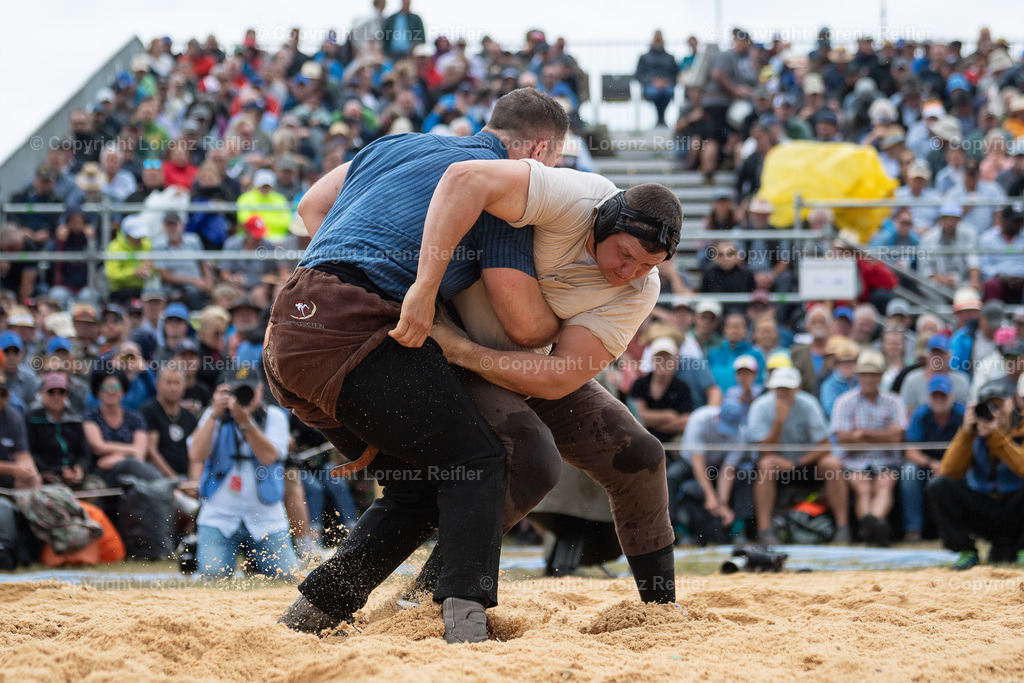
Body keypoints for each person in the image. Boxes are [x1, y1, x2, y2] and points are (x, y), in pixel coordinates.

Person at [268, 88, 570, 643]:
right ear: (541, 151)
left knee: (416, 489)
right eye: (553, 164)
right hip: (354, 331)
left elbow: (310, 208)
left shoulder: (396, 145)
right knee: (478, 459)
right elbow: (524, 324)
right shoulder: (505, 187)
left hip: (288, 324)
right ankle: (463, 622)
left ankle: (310, 616)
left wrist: (369, 258)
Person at [189, 366, 300, 579]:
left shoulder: (274, 416)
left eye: (248, 391)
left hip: (267, 519)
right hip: (219, 517)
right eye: (238, 391)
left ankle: (257, 564)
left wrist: (245, 421)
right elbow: (196, 454)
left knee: (288, 577)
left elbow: (269, 456)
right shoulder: (214, 415)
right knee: (213, 576)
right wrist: (214, 414)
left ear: (260, 390)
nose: (243, 397)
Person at [747, 366, 851, 546]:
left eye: (787, 388)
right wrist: (779, 421)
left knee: (832, 464)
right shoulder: (760, 406)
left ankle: (843, 529)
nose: (783, 393)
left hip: (805, 463)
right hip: (777, 464)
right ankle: (764, 531)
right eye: (780, 388)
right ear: (772, 388)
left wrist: (796, 463)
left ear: (797, 388)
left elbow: (825, 446)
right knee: (765, 465)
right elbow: (764, 451)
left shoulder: (809, 404)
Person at [927, 380, 1024, 569]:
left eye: (998, 406)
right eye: (988, 407)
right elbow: (948, 472)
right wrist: (965, 433)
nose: (993, 412)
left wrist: (996, 437)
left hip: (1016, 506)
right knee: (938, 485)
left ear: (1011, 404)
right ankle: (966, 551)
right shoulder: (970, 433)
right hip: (983, 507)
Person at [831, 350, 907, 546]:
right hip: (854, 462)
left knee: (885, 484)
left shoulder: (894, 401)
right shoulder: (844, 401)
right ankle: (874, 526)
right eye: (864, 374)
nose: (868, 379)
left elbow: (898, 437)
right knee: (862, 487)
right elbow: (842, 439)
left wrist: (863, 434)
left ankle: (870, 526)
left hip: (887, 461)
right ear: (857, 376)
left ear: (881, 377)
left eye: (873, 374)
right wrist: (883, 435)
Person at [672, 399, 748, 545]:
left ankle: (739, 530)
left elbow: (728, 470)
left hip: (718, 468)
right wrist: (710, 495)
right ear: (717, 417)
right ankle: (676, 529)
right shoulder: (699, 420)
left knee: (747, 476)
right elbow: (698, 463)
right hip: (690, 463)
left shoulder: (740, 434)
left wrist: (722, 503)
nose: (726, 435)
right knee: (671, 477)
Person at [901, 375, 965, 541]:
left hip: (958, 466)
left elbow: (971, 449)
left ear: (951, 396)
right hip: (928, 467)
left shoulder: (963, 415)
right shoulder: (920, 415)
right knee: (909, 471)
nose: (939, 399)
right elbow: (910, 451)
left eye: (942, 395)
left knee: (973, 472)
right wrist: (932, 464)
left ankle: (969, 529)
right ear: (928, 397)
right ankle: (913, 530)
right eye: (935, 395)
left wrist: (950, 465)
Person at [82, 369, 163, 489]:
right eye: (105, 387)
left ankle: (169, 490)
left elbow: (140, 453)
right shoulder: (90, 417)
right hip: (101, 471)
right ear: (98, 392)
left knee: (133, 465)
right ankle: (170, 490)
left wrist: (119, 457)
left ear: (123, 391)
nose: (111, 391)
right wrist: (132, 451)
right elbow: (98, 447)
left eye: (116, 386)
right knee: (132, 464)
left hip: (131, 469)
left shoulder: (135, 417)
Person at [25, 373, 92, 489]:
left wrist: (79, 468)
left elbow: (84, 453)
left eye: (61, 392)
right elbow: (29, 453)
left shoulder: (75, 419)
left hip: (73, 472)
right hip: (46, 473)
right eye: (51, 392)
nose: (56, 396)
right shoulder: (32, 419)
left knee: (96, 487)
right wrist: (56, 470)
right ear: (42, 394)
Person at [630, 336, 693, 443]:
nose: (663, 362)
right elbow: (637, 416)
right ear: (652, 360)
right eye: (659, 358)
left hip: (671, 445)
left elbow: (686, 422)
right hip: (642, 443)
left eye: (668, 358)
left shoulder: (682, 386)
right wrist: (669, 416)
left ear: (675, 361)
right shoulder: (640, 383)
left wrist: (652, 425)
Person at [140, 366, 199, 480]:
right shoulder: (148, 410)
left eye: (177, 383)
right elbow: (151, 452)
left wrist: (193, 482)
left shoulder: (189, 417)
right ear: (157, 385)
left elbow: (195, 453)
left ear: (184, 386)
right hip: (159, 477)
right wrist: (175, 480)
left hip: (187, 477)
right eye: (168, 383)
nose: (173, 388)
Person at [899, 335, 971, 415]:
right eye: (934, 354)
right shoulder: (912, 380)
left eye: (941, 354)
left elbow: (967, 412)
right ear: (927, 356)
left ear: (949, 356)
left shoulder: (961, 381)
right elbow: (906, 412)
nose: (937, 358)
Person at [0, 373, 40, 489]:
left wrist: (29, 470)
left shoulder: (14, 417)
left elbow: (22, 453)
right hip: (8, 470)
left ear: (8, 396)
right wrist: (13, 469)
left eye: (2, 394)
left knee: (31, 480)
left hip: (5, 475)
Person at [635, 31, 678, 128]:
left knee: (668, 93)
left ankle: (660, 119)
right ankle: (661, 119)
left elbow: (675, 75)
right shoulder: (644, 58)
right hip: (651, 86)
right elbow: (638, 75)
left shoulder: (670, 58)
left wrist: (666, 82)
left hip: (667, 86)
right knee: (655, 93)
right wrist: (653, 81)